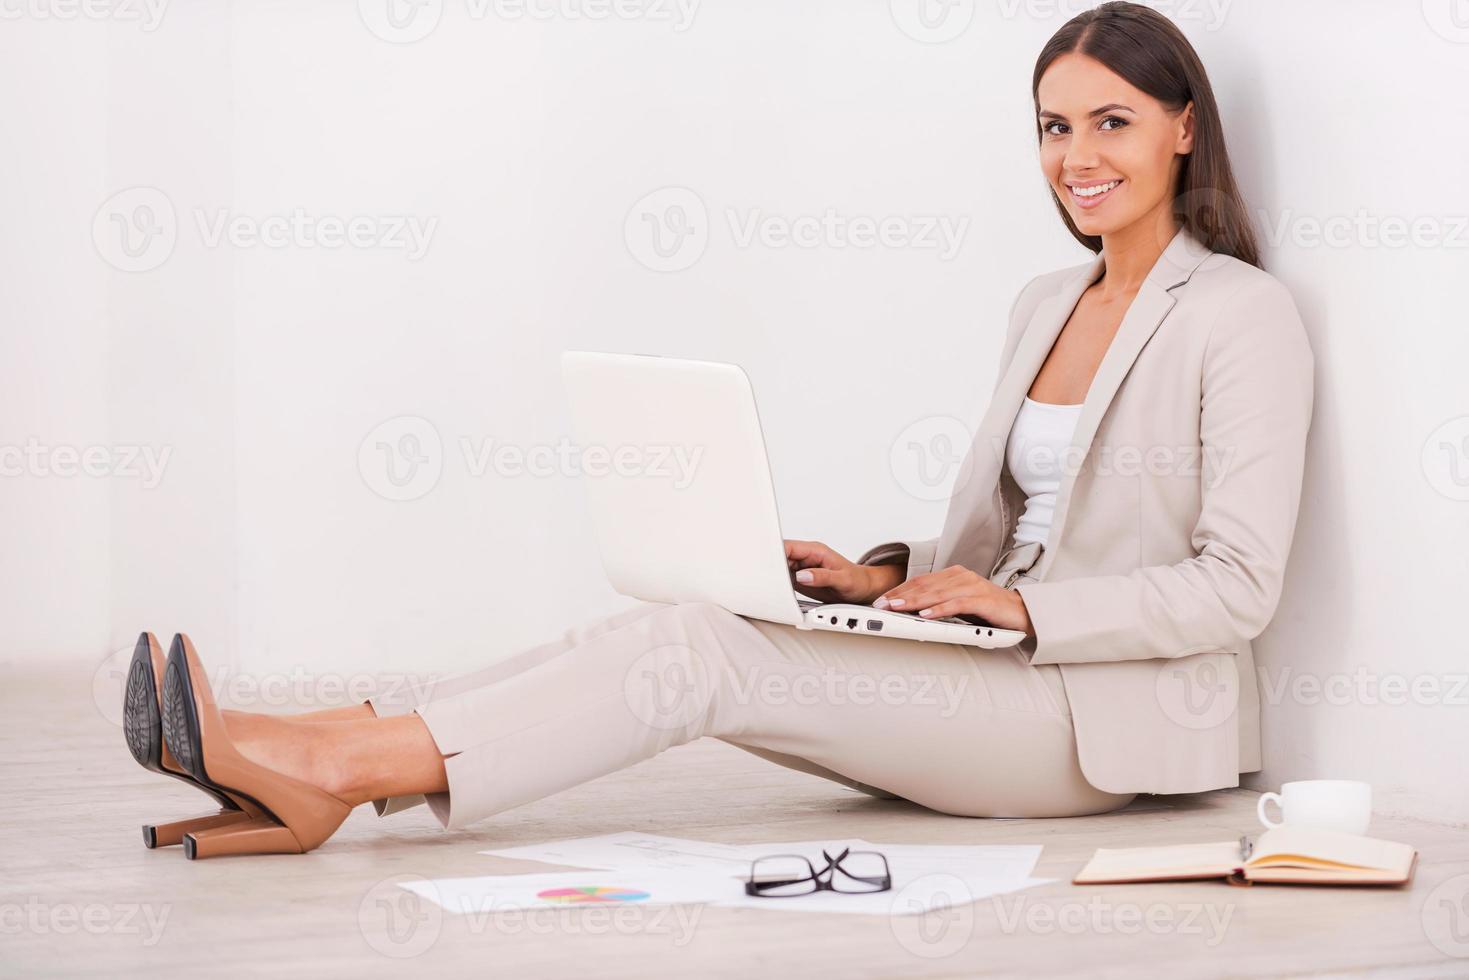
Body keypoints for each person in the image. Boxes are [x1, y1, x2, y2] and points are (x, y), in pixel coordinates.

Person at [126, 1, 1314, 858]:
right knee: (692, 615)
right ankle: (316, 738)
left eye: (1108, 122)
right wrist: (880, 576)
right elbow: (1004, 535)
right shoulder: (1044, 302)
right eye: (1052, 128)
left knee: (702, 659)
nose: (1075, 158)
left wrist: (1023, 608)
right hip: (991, 675)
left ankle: (331, 772)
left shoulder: (1237, 315)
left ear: (1180, 129)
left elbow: (1236, 586)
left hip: (1098, 723)